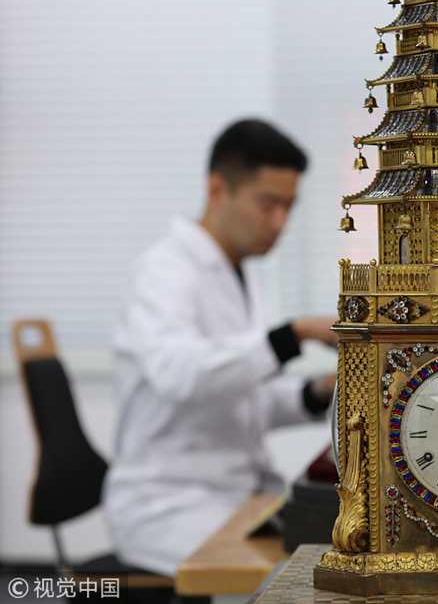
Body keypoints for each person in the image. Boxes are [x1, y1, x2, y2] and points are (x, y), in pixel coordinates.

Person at [102, 119, 337, 577]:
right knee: (298, 579)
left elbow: (244, 400)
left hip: (238, 494)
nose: (280, 223)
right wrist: (295, 334)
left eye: (289, 207)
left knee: (342, 549)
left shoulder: (240, 273)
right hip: (169, 505)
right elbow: (181, 374)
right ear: (217, 190)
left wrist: (320, 390)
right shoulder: (163, 270)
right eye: (268, 204)